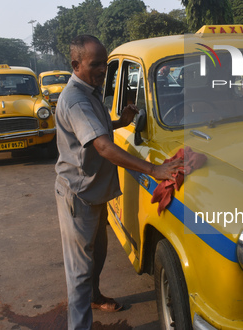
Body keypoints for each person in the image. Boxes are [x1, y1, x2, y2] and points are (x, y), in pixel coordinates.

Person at [54, 34, 182, 330]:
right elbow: (102, 147)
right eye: (95, 64)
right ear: (76, 64)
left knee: (97, 253)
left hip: (94, 191)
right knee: (80, 272)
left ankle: (95, 296)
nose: (102, 70)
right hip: (79, 195)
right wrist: (153, 169)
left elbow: (94, 128)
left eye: (105, 63)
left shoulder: (90, 90)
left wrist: (120, 123)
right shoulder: (75, 100)